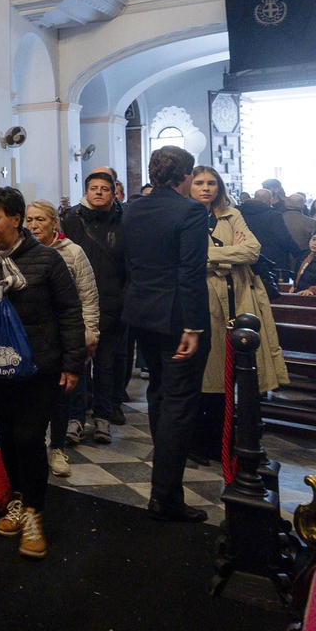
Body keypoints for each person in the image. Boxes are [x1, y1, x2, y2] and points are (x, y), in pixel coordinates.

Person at [0, 188, 84, 556]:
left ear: (16, 219)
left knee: (29, 438)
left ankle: (34, 512)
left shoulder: (46, 260)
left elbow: (69, 312)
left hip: (39, 367)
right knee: (9, 438)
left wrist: (72, 364)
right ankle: (17, 499)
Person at [122, 146, 211, 523]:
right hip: (177, 316)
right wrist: (193, 326)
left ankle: (164, 487)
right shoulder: (190, 210)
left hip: (141, 312)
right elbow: (191, 271)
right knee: (179, 402)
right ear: (184, 177)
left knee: (159, 392)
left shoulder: (132, 208)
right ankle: (166, 497)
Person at [189, 166, 289, 462]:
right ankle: (202, 442)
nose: (206, 188)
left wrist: (210, 257)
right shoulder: (186, 217)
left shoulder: (232, 215)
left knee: (233, 375)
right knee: (208, 376)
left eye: (211, 183)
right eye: (199, 183)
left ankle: (228, 440)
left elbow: (251, 251)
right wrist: (224, 256)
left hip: (238, 299)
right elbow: (186, 258)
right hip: (205, 301)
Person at [23, 200, 98, 476]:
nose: (33, 225)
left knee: (60, 393)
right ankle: (33, 450)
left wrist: (89, 333)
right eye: (29, 219)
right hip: (31, 335)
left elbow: (88, 296)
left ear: (54, 222)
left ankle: (57, 449)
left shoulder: (73, 252)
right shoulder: (22, 251)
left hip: (64, 333)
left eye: (40, 219)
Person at [60, 169, 129, 430]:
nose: (99, 192)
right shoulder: (72, 221)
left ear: (113, 193)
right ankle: (76, 417)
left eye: (105, 188)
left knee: (106, 364)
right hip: (79, 302)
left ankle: (103, 414)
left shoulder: (123, 221)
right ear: (86, 192)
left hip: (113, 302)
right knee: (78, 362)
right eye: (94, 188)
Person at [236, 188, 299, 276]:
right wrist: (297, 253)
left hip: (245, 256)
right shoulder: (274, 216)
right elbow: (283, 237)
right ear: (270, 200)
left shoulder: (239, 213)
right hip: (271, 259)